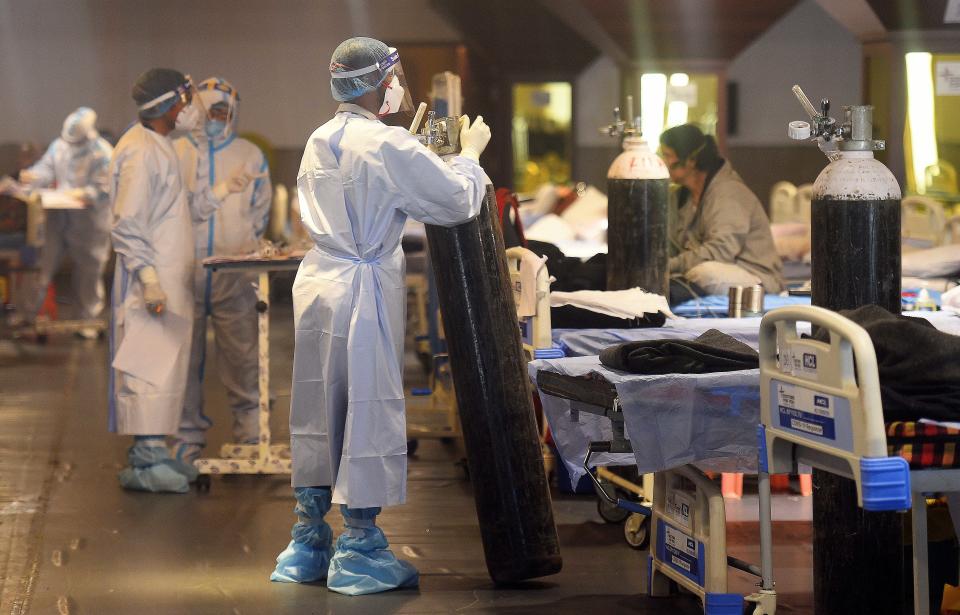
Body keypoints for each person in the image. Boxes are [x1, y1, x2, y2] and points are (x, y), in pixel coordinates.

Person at [270, 37, 491, 595]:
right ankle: (360, 550)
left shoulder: (321, 139)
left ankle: (307, 542)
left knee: (319, 407)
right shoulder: (388, 143)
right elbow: (455, 201)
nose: (405, 88)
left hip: (321, 283)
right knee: (365, 409)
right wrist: (470, 156)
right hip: (364, 286)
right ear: (380, 83)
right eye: (399, 77)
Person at [109, 69, 252, 493]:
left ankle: (155, 451)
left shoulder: (161, 147)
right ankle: (147, 459)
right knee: (147, 370)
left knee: (164, 370)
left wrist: (223, 190)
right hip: (149, 282)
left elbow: (180, 209)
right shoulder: (139, 152)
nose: (193, 110)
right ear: (172, 104)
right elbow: (128, 224)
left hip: (168, 280)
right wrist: (150, 280)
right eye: (188, 100)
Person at [171, 77, 272, 465]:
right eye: (211, 110)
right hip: (185, 271)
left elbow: (260, 210)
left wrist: (245, 245)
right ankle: (186, 438)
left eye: (224, 112)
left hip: (234, 272)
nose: (218, 118)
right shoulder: (176, 152)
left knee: (244, 356)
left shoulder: (249, 154)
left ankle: (250, 435)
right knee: (185, 358)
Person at [659, 124, 784, 304]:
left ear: (691, 160)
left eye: (667, 155)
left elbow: (720, 251)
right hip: (697, 269)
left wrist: (670, 266)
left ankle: (673, 293)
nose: (662, 161)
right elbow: (669, 244)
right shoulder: (679, 197)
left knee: (705, 273)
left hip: (754, 276)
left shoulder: (729, 194)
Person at [19, 108, 113, 337]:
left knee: (88, 271)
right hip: (58, 217)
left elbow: (104, 186)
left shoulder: (102, 153)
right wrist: (32, 175)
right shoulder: (59, 146)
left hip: (90, 222)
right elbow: (46, 169)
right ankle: (30, 314)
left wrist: (85, 194)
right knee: (43, 266)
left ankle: (88, 320)